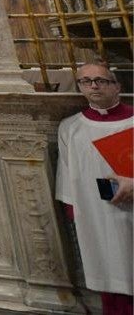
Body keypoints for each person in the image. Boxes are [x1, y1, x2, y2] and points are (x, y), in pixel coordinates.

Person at [56, 60, 132, 314]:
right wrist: (75, 214)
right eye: (85, 81)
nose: (93, 86)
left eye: (101, 80)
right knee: (111, 273)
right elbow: (68, 176)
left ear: (117, 86)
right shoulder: (71, 128)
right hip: (98, 215)